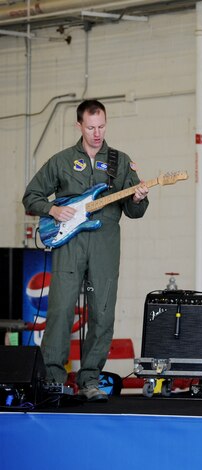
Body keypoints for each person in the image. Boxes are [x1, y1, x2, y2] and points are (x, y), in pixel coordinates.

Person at [22, 99, 149, 402]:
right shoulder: (62, 161)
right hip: (69, 243)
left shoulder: (119, 161)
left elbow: (135, 211)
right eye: (91, 127)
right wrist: (53, 209)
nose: (97, 133)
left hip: (105, 244)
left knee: (102, 313)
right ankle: (54, 379)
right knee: (61, 309)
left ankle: (90, 379)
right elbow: (31, 196)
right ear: (79, 125)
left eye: (102, 126)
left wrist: (138, 197)